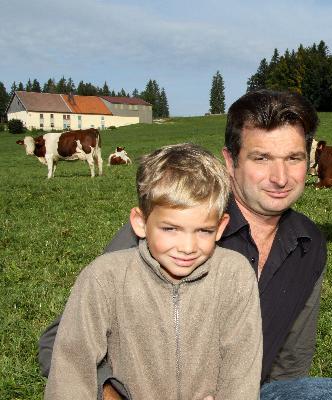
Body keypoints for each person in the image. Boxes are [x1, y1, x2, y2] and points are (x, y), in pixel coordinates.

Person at [39, 90, 332, 399]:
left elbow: (291, 364)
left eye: (293, 158)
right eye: (261, 158)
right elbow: (58, 345)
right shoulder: (177, 223)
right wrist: (113, 395)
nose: (280, 177)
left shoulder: (309, 243)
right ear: (230, 162)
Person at [43, 143, 262, 399]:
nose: (188, 247)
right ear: (141, 222)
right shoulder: (105, 277)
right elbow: (72, 366)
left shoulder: (234, 275)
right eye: (170, 229)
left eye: (204, 230)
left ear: (221, 226)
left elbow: (242, 364)